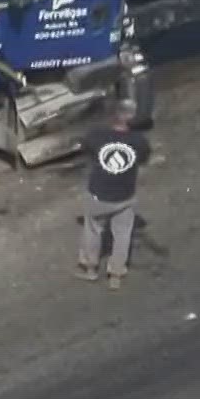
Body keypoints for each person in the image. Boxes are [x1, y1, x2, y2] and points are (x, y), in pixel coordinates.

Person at [75, 101, 150, 289]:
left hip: (98, 195)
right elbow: (143, 159)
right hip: (125, 196)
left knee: (92, 230)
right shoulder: (139, 141)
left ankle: (90, 269)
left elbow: (87, 151)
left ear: (113, 115)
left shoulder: (96, 135)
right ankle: (116, 274)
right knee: (123, 234)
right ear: (132, 118)